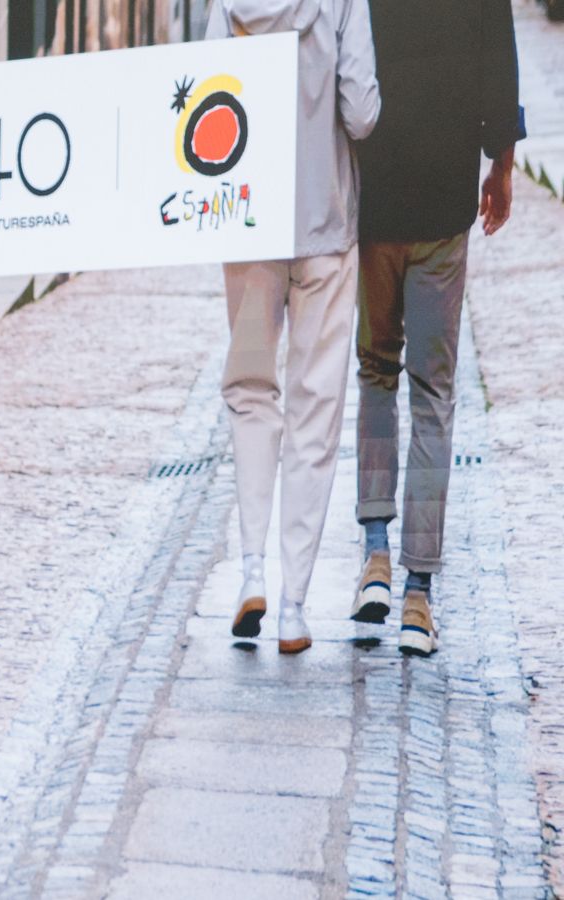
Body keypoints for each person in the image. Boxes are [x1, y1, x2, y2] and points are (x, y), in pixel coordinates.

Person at [350, 0, 524, 655]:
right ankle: (418, 594)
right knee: (432, 391)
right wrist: (500, 162)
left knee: (375, 370)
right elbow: (496, 56)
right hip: (445, 195)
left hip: (377, 195)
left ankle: (375, 554)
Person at [207, 0, 380, 652]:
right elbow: (362, 114)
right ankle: (294, 608)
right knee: (315, 409)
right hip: (325, 227)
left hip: (248, 223)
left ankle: (250, 568)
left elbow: (207, 91)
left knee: (251, 390)